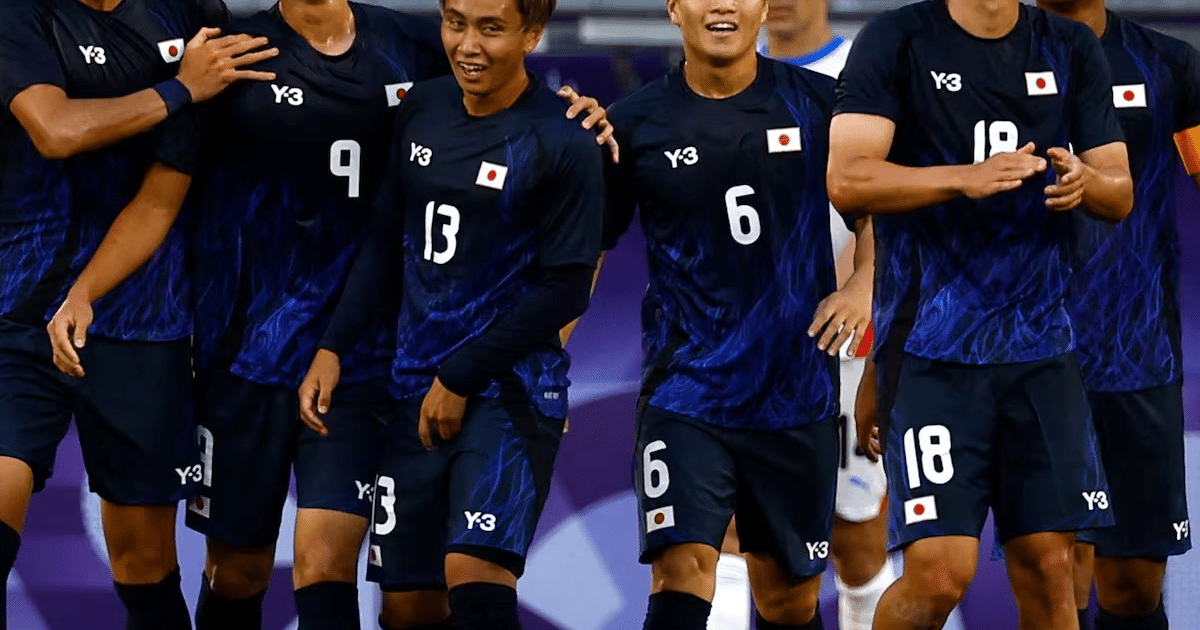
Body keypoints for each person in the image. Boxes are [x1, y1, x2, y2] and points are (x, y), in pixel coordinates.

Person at [46, 2, 612, 629]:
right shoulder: (233, 50)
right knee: (237, 569)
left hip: (362, 361)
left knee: (325, 562)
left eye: (480, 28)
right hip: (242, 356)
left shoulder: (410, 45)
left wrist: (576, 108)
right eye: (461, 25)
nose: (467, 41)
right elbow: (157, 186)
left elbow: (505, 90)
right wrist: (86, 288)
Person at [829, 0, 1135, 629]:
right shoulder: (896, 39)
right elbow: (848, 178)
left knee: (1052, 568)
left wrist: (1084, 180)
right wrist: (961, 177)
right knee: (940, 574)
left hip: (1041, 348)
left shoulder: (1070, 46)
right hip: (930, 352)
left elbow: (1118, 189)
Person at [0, 0, 274, 627]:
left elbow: (161, 196)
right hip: (18, 310)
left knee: (143, 564)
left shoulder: (192, 13)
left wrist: (550, 111)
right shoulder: (18, 14)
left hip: (145, 318)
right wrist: (181, 87)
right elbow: (56, 130)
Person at [603, 0, 875, 626]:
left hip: (796, 390)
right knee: (682, 567)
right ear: (673, 7)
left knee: (788, 599)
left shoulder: (822, 104)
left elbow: (877, 210)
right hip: (686, 389)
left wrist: (862, 284)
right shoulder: (634, 122)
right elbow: (584, 249)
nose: (722, 4)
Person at [1035, 2, 1198, 629]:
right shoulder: (985, 59)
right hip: (1030, 353)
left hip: (1138, 355)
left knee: (1132, 586)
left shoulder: (1169, 64)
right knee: (1056, 567)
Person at [756, 3, 896, 630]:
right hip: (739, 346)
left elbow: (893, 197)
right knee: (727, 531)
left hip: (841, 343)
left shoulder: (861, 71)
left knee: (855, 537)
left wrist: (862, 281)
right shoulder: (720, 66)